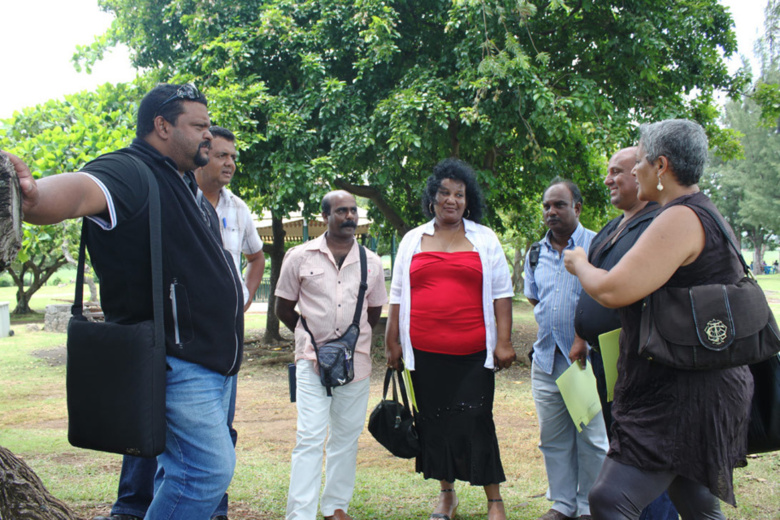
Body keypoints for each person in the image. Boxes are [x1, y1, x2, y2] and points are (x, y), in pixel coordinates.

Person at [7, 83, 244, 520]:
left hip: (215, 364)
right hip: (180, 362)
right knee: (206, 472)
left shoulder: (184, 185)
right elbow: (81, 190)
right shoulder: (130, 171)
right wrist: (35, 197)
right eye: (199, 126)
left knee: (184, 472)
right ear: (162, 126)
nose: (209, 137)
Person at [564, 119, 753, 519]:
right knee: (696, 502)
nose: (635, 170)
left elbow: (615, 289)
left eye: (642, 161)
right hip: (691, 384)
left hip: (681, 394)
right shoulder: (699, 213)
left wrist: (580, 263)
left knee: (609, 499)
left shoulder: (680, 218)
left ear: (662, 166)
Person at [93, 125, 265, 520]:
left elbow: (255, 257)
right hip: (176, 345)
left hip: (221, 346)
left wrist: (243, 296)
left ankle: (211, 510)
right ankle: (133, 507)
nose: (228, 163)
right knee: (161, 437)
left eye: (232, 157)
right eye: (221, 153)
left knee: (213, 441)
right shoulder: (163, 192)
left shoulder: (237, 208)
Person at [385, 158, 516, 520]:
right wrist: (391, 341)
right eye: (444, 192)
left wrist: (503, 341)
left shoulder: (484, 239)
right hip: (424, 355)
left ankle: (494, 501)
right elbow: (397, 294)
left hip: (473, 354)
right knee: (434, 424)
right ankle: (447, 496)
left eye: (459, 194)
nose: (451, 200)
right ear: (432, 197)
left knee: (477, 421)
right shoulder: (413, 239)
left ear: (467, 200)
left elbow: (502, 294)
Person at [573, 148, 677, 520]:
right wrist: (581, 334)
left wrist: (581, 264)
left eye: (617, 171)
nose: (608, 179)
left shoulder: (659, 224)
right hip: (607, 362)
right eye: (608, 171)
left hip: (642, 362)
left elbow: (621, 288)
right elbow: (593, 293)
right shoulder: (614, 225)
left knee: (641, 458)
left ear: (642, 173)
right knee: (620, 445)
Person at [275, 190, 388, 520]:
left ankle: (335, 507)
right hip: (311, 360)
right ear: (325, 216)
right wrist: (313, 337)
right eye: (341, 211)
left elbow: (373, 312)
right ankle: (301, 514)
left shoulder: (372, 262)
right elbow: (283, 307)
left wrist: (347, 345)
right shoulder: (299, 256)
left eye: (353, 210)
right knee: (309, 437)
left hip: (357, 364)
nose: (350, 216)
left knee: (346, 437)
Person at [524, 178, 608, 520]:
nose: (551, 211)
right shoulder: (535, 252)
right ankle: (562, 504)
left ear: (577, 207)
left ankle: (588, 506)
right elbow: (534, 298)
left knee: (591, 437)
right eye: (546, 206)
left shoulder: (598, 245)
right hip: (545, 359)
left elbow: (606, 299)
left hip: (584, 360)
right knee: (553, 438)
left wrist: (582, 337)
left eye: (559, 204)